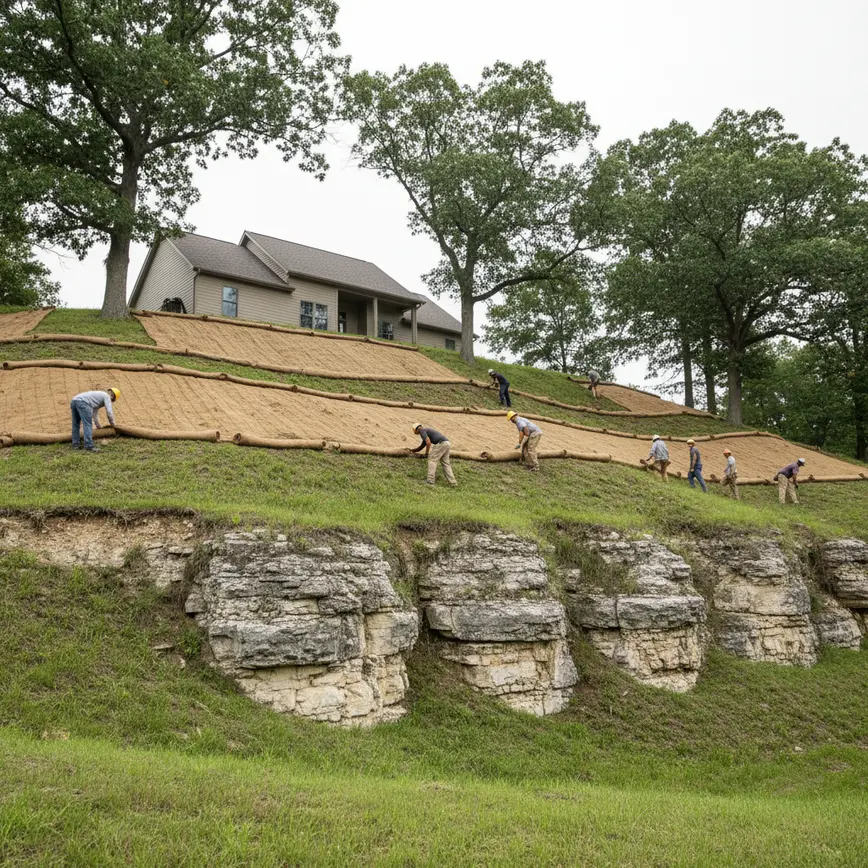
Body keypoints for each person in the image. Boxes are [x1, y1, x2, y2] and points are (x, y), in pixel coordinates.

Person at [70, 388, 120, 452]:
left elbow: (94, 414)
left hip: (74, 401)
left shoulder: (97, 397)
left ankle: (75, 445)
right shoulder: (107, 396)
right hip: (83, 402)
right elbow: (109, 412)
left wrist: (98, 426)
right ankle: (89, 446)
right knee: (87, 424)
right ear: (113, 397)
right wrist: (113, 424)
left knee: (76, 424)